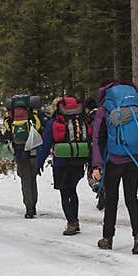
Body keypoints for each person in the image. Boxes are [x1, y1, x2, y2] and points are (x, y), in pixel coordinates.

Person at [90, 80, 138, 254]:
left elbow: (97, 139)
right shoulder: (133, 104)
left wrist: (96, 165)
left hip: (113, 161)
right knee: (132, 199)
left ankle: (107, 238)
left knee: (111, 200)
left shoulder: (104, 109)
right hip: (134, 159)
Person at [37, 96, 91, 236]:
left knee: (64, 193)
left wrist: (39, 163)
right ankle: (75, 220)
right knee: (72, 191)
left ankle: (71, 222)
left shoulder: (54, 122)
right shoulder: (81, 120)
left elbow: (46, 145)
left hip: (61, 163)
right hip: (79, 160)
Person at [4, 94, 46, 218]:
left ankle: (29, 208)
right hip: (33, 150)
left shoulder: (10, 117)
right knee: (33, 179)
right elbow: (40, 126)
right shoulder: (34, 114)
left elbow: (8, 131)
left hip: (19, 150)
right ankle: (34, 205)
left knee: (25, 180)